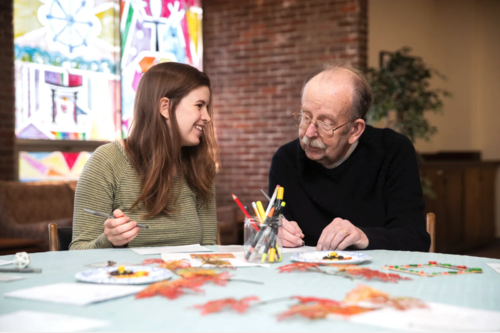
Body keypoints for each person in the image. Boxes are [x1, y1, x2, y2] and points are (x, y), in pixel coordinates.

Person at [268, 62, 431, 252]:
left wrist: (363, 236)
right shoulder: (285, 160)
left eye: (326, 123)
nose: (309, 132)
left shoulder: (392, 152)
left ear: (355, 130)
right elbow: (275, 228)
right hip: (304, 275)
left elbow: (415, 238)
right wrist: (274, 232)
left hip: (375, 277)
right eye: (305, 116)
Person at [70, 62, 219, 250]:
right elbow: (77, 252)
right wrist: (109, 240)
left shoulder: (201, 167)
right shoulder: (107, 161)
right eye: (199, 105)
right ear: (165, 107)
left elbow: (208, 249)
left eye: (207, 107)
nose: (207, 117)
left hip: (189, 278)